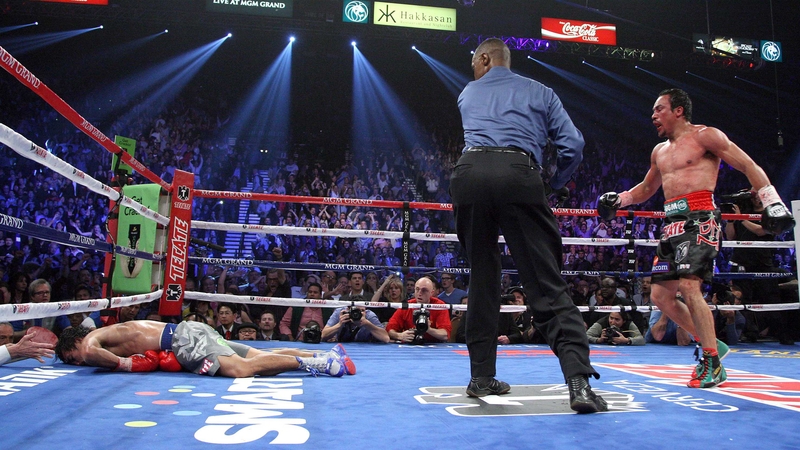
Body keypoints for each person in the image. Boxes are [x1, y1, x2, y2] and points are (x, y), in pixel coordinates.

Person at [598, 88, 794, 388]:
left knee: (690, 286)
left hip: (701, 218)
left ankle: (712, 360)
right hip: (671, 224)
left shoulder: (706, 136)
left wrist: (771, 200)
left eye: (659, 109)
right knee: (661, 296)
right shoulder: (659, 151)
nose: (653, 116)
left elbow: (747, 165)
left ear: (678, 110)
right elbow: (647, 189)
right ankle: (712, 342)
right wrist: (620, 199)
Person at [450, 38, 605, 412]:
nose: (473, 69)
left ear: (484, 59)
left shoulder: (468, 93)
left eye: (474, 62)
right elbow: (573, 144)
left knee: (483, 278)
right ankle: (579, 384)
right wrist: (554, 184)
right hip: (519, 173)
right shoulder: (541, 91)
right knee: (544, 281)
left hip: (468, 174)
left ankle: (481, 376)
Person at [55, 320, 355, 377]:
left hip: (183, 341)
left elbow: (92, 353)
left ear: (76, 342)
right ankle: (322, 355)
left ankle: (319, 366)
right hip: (188, 332)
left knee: (241, 370)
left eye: (73, 359)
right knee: (258, 357)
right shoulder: (113, 332)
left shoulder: (95, 338)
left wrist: (126, 365)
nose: (79, 363)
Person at [386, 277, 451, 344]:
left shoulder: (439, 306)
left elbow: (445, 335)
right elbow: (389, 328)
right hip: (410, 345)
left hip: (434, 345)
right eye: (417, 289)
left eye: (424, 290)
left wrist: (428, 329)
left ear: (432, 292)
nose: (419, 293)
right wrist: (400, 336)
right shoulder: (407, 305)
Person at [321, 295, 390, 343]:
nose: (359, 314)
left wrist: (368, 324)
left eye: (362, 310)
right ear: (348, 309)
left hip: (364, 349)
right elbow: (323, 335)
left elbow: (386, 338)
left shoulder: (369, 315)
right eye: (356, 311)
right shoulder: (340, 313)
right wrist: (339, 324)